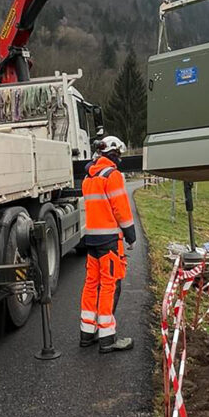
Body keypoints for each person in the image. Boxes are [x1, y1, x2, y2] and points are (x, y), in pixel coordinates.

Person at [80, 135, 136, 353]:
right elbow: (120, 208)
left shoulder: (88, 177)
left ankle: (87, 333)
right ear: (115, 154)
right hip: (109, 241)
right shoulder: (112, 176)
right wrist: (130, 235)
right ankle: (107, 338)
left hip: (92, 240)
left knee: (91, 284)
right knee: (109, 285)